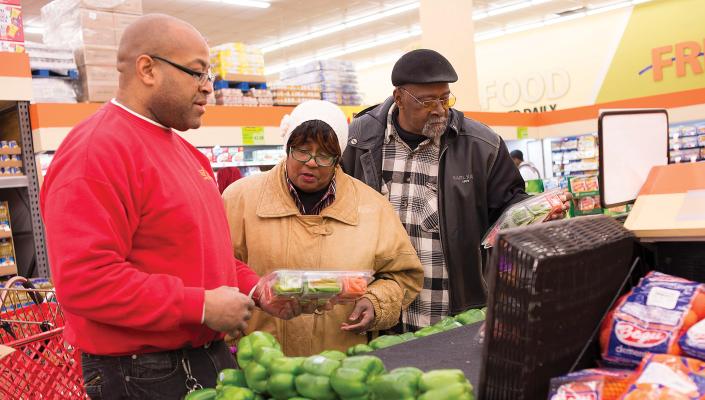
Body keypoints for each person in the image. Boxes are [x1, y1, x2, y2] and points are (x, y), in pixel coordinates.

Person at [40, 14, 286, 399]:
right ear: (147, 69)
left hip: (204, 356)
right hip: (141, 372)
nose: (208, 89)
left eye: (211, 77)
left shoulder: (189, 154)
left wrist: (257, 290)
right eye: (197, 73)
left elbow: (204, 258)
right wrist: (201, 307)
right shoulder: (96, 150)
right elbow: (84, 280)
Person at [343, 49, 570, 332]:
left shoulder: (481, 144)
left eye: (444, 97)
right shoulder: (362, 138)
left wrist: (538, 212)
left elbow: (508, 207)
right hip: (382, 310)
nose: (439, 109)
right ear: (399, 97)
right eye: (426, 101)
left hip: (453, 310)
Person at [222, 100, 424, 356]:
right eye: (301, 150)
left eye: (324, 155)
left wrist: (374, 302)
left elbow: (403, 276)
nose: (311, 162)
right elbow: (216, 269)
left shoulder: (372, 207)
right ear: (287, 148)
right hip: (261, 361)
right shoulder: (240, 199)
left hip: (342, 365)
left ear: (338, 157)